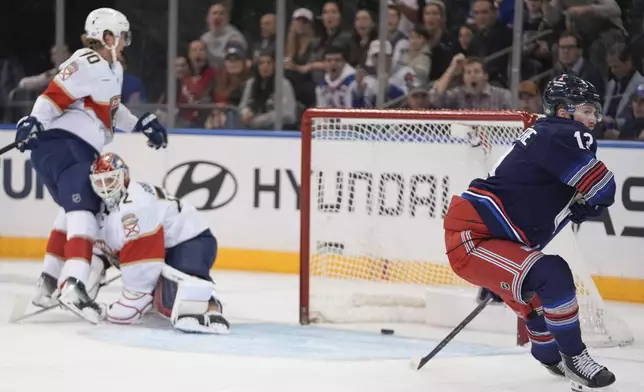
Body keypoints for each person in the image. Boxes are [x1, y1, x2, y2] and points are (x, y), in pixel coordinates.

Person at [443, 74, 616, 391]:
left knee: (538, 297)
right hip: (475, 239)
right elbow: (604, 190)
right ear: (564, 112)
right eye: (587, 110)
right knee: (554, 274)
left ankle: (550, 355)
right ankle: (576, 358)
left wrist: (580, 203)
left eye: (595, 112)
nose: (593, 120)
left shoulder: (547, 136)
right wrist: (588, 202)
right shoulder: (564, 133)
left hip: (492, 237)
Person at [15, 8, 168, 324]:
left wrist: (142, 124)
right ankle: (73, 284)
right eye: (122, 36)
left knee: (69, 213)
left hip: (69, 150)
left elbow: (111, 112)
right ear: (108, 37)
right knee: (86, 210)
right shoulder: (88, 59)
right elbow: (52, 96)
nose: (125, 42)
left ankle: (46, 282)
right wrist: (32, 120)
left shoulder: (113, 70)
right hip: (66, 146)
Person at [90, 152, 229, 334]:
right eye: (100, 182)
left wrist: (135, 298)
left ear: (124, 176)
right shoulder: (108, 207)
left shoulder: (137, 205)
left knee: (186, 294)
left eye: (109, 181)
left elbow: (143, 261)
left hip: (190, 240)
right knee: (165, 300)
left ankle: (212, 309)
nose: (105, 188)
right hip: (165, 244)